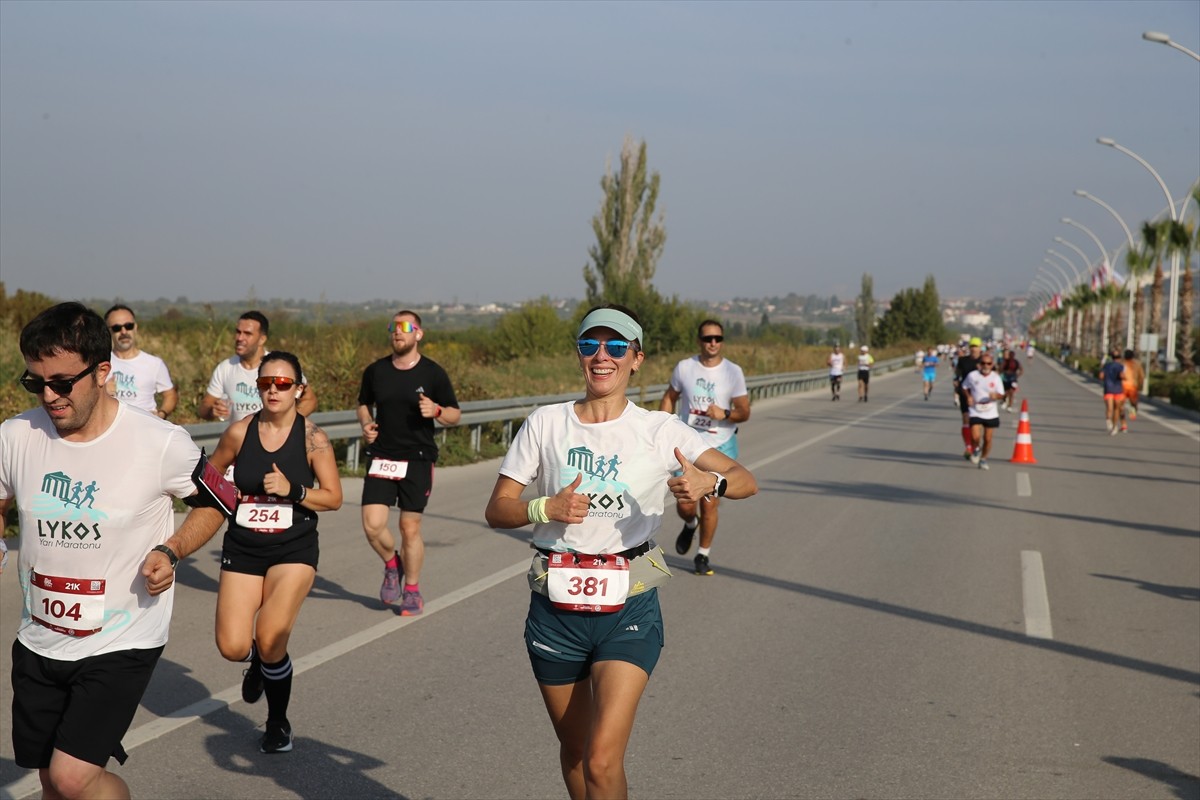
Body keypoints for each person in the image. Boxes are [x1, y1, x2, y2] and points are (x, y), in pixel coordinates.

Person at [483, 305, 757, 800]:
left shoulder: (660, 430)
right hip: (555, 609)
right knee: (576, 753)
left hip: (628, 605)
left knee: (604, 759)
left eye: (616, 347)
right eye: (591, 345)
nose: (602, 356)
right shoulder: (546, 424)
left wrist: (708, 481)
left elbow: (745, 480)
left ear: (637, 359)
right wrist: (545, 507)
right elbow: (498, 509)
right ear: (580, 357)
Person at [0, 302, 225, 799]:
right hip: (39, 637)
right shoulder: (16, 435)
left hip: (121, 638)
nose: (49, 396)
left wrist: (171, 549)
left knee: (71, 776)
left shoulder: (160, 442)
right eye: (35, 382)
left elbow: (217, 501)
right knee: (51, 781)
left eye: (62, 383)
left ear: (103, 371)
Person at [207, 351, 342, 754]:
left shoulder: (312, 438)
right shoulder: (238, 433)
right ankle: (260, 665)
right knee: (232, 646)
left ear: (299, 388)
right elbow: (211, 481)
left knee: (270, 637)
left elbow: (334, 498)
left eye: (283, 384)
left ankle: (277, 722)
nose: (273, 390)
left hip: (293, 548)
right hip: (244, 547)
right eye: (265, 383)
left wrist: (293, 491)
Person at [357, 310, 461, 615]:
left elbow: (455, 414)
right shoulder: (376, 371)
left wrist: (438, 411)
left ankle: (412, 590)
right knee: (373, 526)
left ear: (419, 334)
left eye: (404, 327)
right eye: (392, 327)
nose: (396, 332)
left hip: (417, 457)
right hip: (382, 455)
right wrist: (366, 423)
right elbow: (364, 403)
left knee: (409, 527)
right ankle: (393, 564)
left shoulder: (433, 373)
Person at [659, 319, 750, 575]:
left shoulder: (733, 372)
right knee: (685, 503)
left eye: (717, 339)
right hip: (687, 444)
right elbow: (670, 397)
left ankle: (703, 555)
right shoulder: (685, 368)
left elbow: (744, 412)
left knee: (709, 502)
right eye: (708, 338)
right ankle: (690, 524)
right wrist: (664, 425)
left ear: (722, 342)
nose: (713, 343)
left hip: (720, 445)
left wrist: (725, 413)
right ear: (699, 340)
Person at [198, 311, 318, 423]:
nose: (240, 338)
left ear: (262, 339)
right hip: (240, 443)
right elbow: (204, 409)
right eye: (238, 332)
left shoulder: (279, 366)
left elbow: (310, 400)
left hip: (274, 442)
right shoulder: (225, 368)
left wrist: (286, 425)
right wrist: (212, 411)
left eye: (247, 334)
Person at [103, 304, 178, 419]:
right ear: (108, 332)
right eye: (117, 328)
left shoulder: (154, 363)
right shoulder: (100, 363)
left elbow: (170, 394)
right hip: (112, 428)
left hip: (146, 429)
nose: (124, 332)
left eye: (128, 326)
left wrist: (161, 414)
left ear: (135, 327)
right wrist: (103, 391)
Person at [961, 352, 1005, 470]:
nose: (986, 366)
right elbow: (964, 387)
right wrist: (968, 397)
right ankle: (976, 450)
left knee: (988, 439)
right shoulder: (972, 375)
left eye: (988, 363)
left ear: (992, 365)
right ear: (979, 364)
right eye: (983, 363)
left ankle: (984, 459)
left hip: (990, 411)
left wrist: (996, 396)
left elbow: (1002, 394)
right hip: (976, 409)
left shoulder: (995, 378)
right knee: (975, 437)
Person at [953, 337, 983, 459]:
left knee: (977, 424)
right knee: (966, 419)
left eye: (976, 346)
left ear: (980, 348)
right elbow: (957, 375)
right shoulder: (963, 361)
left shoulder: (984, 361)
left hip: (980, 396)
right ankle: (968, 447)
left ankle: (976, 444)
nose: (974, 349)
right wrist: (955, 388)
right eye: (972, 346)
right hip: (965, 393)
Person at [1099, 347, 1127, 436]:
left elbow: (1101, 376)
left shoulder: (1106, 366)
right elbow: (1123, 376)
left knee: (1109, 408)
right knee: (1116, 409)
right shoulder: (1121, 366)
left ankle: (1109, 422)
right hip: (1118, 390)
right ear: (1119, 358)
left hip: (1108, 389)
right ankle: (1115, 427)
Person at [1121, 349, 1145, 427]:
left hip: (1128, 387)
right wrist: (1141, 386)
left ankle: (1127, 418)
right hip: (1127, 387)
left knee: (1130, 404)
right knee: (1129, 404)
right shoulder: (1122, 364)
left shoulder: (1136, 364)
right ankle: (1124, 423)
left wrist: (1140, 385)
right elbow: (1142, 376)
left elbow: (1141, 376)